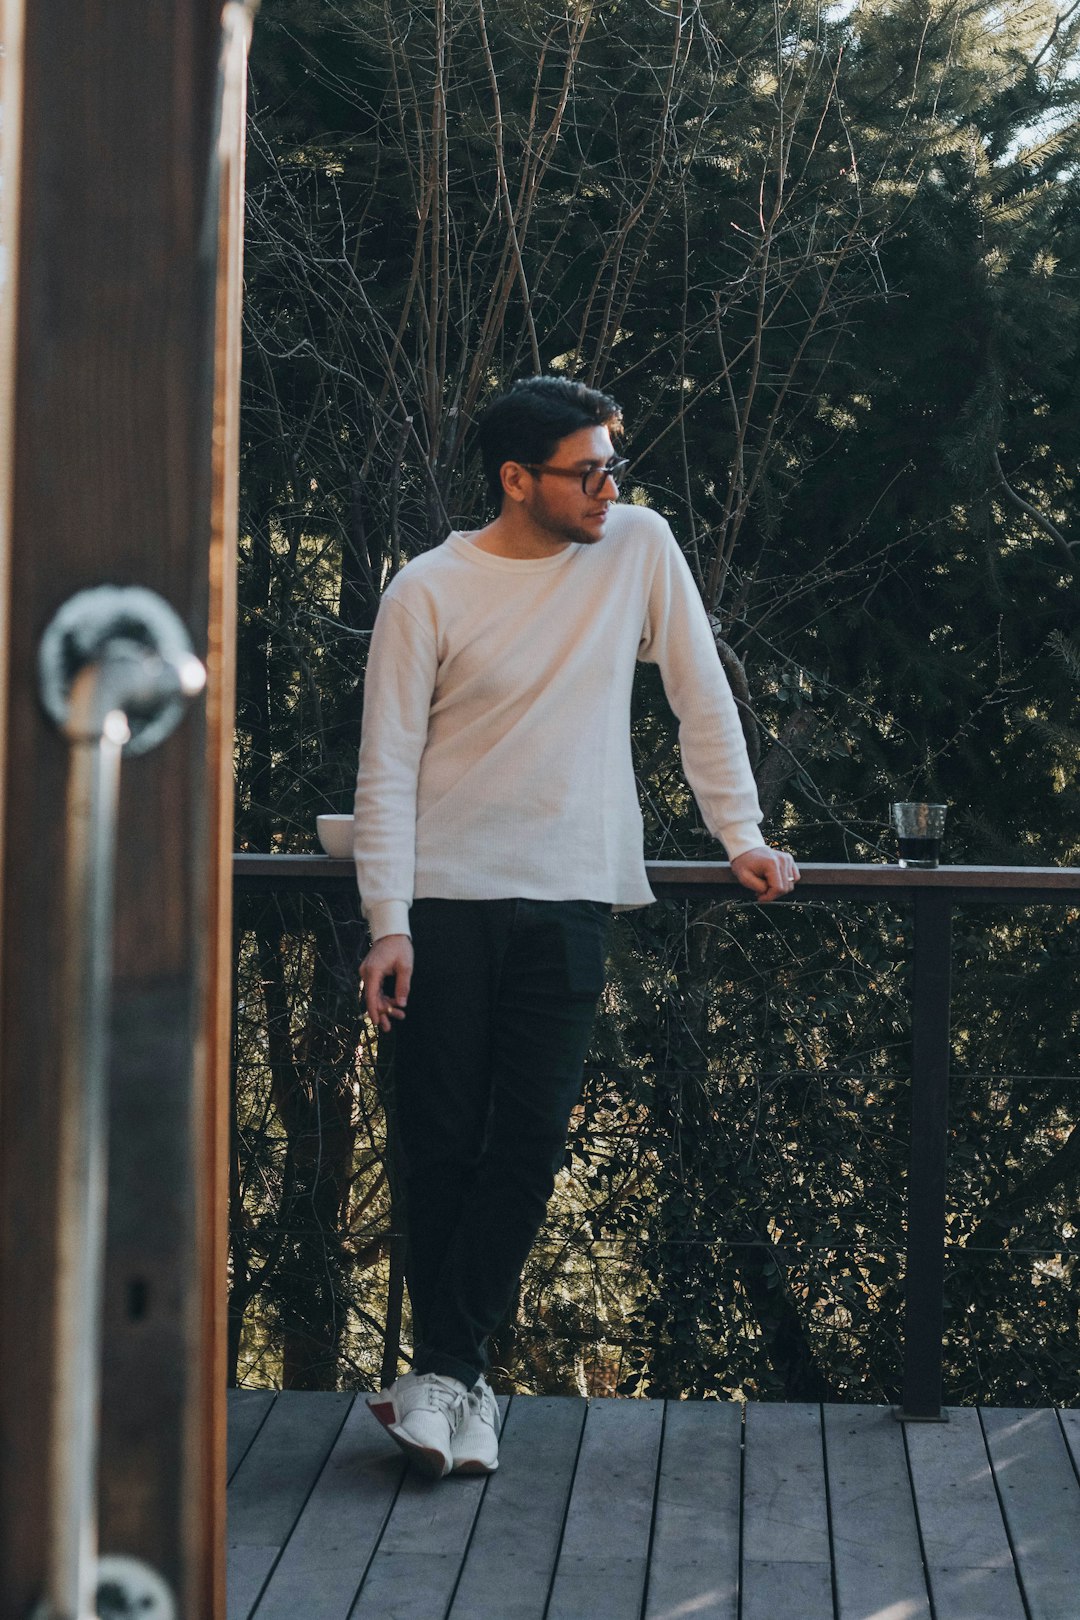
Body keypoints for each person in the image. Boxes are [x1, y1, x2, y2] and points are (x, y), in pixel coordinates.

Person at [354, 375, 799, 1479]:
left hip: (570, 897)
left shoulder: (639, 546)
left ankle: (447, 1376)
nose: (609, 487)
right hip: (446, 905)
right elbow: (386, 769)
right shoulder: (428, 590)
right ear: (517, 479)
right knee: (441, 1140)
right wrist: (388, 921)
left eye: (614, 466)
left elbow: (701, 695)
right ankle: (456, 1378)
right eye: (586, 470)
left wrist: (738, 831)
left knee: (530, 1141)